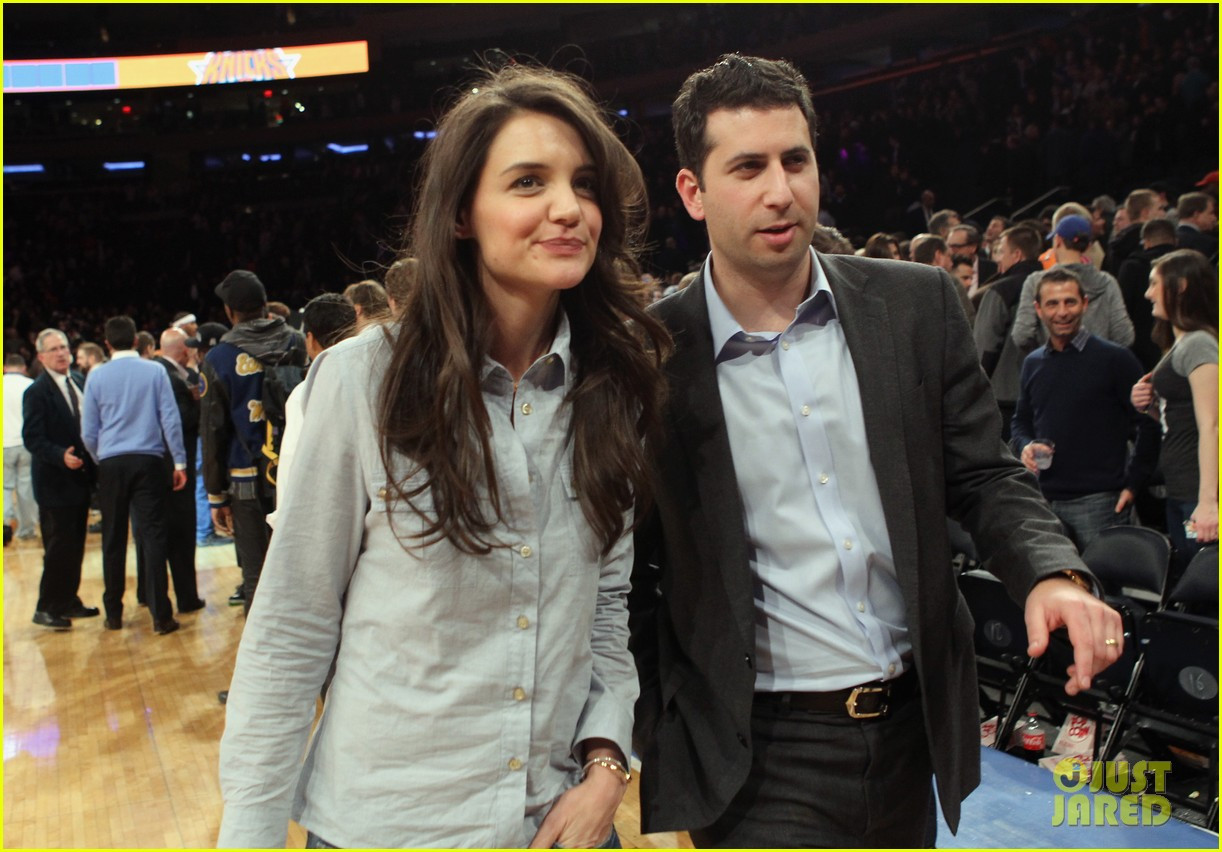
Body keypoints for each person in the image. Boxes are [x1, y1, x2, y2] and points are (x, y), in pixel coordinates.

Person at [629, 54, 1121, 848]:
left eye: (795, 161)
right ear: (693, 191)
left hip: (910, 731)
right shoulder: (649, 357)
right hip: (756, 753)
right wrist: (659, 752)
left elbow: (985, 474)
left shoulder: (915, 304)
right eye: (748, 168)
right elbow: (634, 579)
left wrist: (1050, 572)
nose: (780, 191)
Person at [217, 64, 670, 848]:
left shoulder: (612, 386)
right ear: (461, 214)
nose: (569, 208)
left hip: (558, 824)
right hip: (387, 827)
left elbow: (605, 607)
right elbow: (292, 625)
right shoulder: (363, 380)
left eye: (585, 184)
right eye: (528, 182)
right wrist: (249, 834)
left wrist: (606, 764)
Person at [1010, 269, 1158, 551]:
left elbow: (1149, 422)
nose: (1062, 312)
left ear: (1085, 304)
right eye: (1052, 304)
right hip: (1043, 500)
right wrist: (1026, 445)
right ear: (1038, 309)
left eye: (1070, 302)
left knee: (1101, 579)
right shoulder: (1032, 363)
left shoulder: (1115, 359)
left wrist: (1134, 484)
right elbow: (1021, 421)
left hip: (1100, 503)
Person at [199, 270, 306, 613]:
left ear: (230, 312)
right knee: (301, 573)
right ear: (264, 305)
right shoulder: (298, 343)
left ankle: (261, 646)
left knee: (256, 578)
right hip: (297, 473)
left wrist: (215, 494)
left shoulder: (218, 358)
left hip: (246, 480)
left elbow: (213, 430)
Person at [81, 316, 188, 634]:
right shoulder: (154, 370)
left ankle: (113, 613)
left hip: (111, 462)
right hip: (148, 461)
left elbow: (88, 431)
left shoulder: (96, 376)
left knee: (113, 538)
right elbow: (170, 418)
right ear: (137, 341)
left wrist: (102, 458)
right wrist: (179, 462)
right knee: (153, 536)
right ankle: (161, 616)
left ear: (107, 344)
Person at [1130, 249, 1218, 577]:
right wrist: (1149, 405)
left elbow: (1212, 426)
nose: (1147, 293)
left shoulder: (1198, 344)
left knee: (1204, 589)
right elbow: (1180, 419)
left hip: (1198, 496)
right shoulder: (1180, 344)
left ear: (1180, 286)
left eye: (1154, 284)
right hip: (1181, 489)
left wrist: (1208, 503)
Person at [22, 329, 100, 629]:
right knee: (58, 548)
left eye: (64, 347)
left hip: (79, 480)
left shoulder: (77, 380)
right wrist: (59, 455)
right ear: (41, 356)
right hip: (54, 483)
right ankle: (46, 606)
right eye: (54, 349)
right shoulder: (36, 391)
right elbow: (32, 438)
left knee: (75, 545)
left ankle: (68, 600)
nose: (61, 353)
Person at [264, 293, 356, 529]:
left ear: (310, 340)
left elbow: (292, 463)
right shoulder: (377, 381)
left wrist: (282, 522)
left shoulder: (304, 394)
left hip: (327, 516)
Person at [4, 353, 38, 541]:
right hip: (26, 443)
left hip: (4, 443)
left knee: (4, 487)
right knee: (26, 488)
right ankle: (26, 529)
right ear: (24, 368)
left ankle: (5, 524)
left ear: (4, 368)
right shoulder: (31, 385)